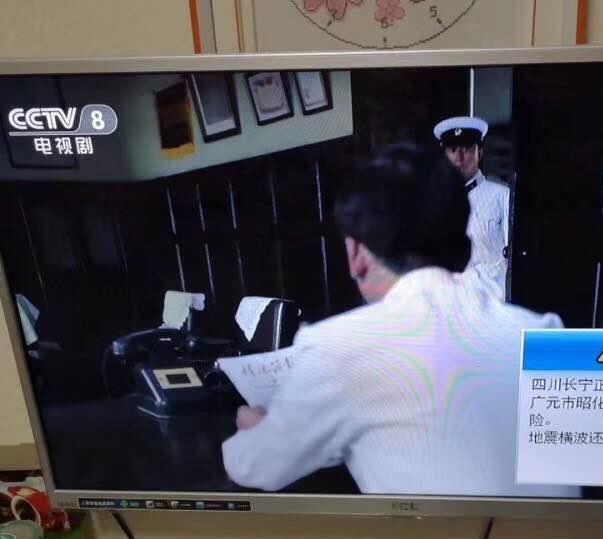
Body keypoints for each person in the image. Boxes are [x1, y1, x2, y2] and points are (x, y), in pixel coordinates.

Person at [222, 144, 570, 497]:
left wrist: (256, 428)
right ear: (462, 246)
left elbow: (254, 466)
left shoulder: (336, 347)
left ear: (356, 254)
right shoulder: (544, 330)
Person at [434, 116, 510, 301]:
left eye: (467, 149)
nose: (459, 157)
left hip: (492, 303)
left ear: (480, 152)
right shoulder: (436, 202)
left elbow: (511, 262)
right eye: (453, 150)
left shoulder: (502, 196)